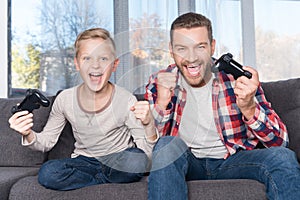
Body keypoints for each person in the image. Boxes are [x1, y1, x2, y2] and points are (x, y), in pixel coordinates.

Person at [145, 12, 300, 200]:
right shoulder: (159, 82)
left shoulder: (238, 78)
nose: (191, 57)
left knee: (282, 158)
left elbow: (280, 142)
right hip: (188, 163)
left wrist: (249, 107)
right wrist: (162, 104)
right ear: (171, 50)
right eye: (182, 48)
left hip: (233, 161)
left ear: (212, 47)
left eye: (200, 47)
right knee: (166, 145)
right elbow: (153, 150)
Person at [8, 28, 158, 191]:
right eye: (87, 58)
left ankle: (96, 180)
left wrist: (149, 124)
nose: (95, 65)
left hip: (117, 161)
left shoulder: (127, 99)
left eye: (103, 58)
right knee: (48, 172)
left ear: (114, 65)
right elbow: (46, 142)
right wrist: (27, 133)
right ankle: (105, 179)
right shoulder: (65, 99)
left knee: (136, 160)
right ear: (77, 63)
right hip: (84, 162)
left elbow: (147, 156)